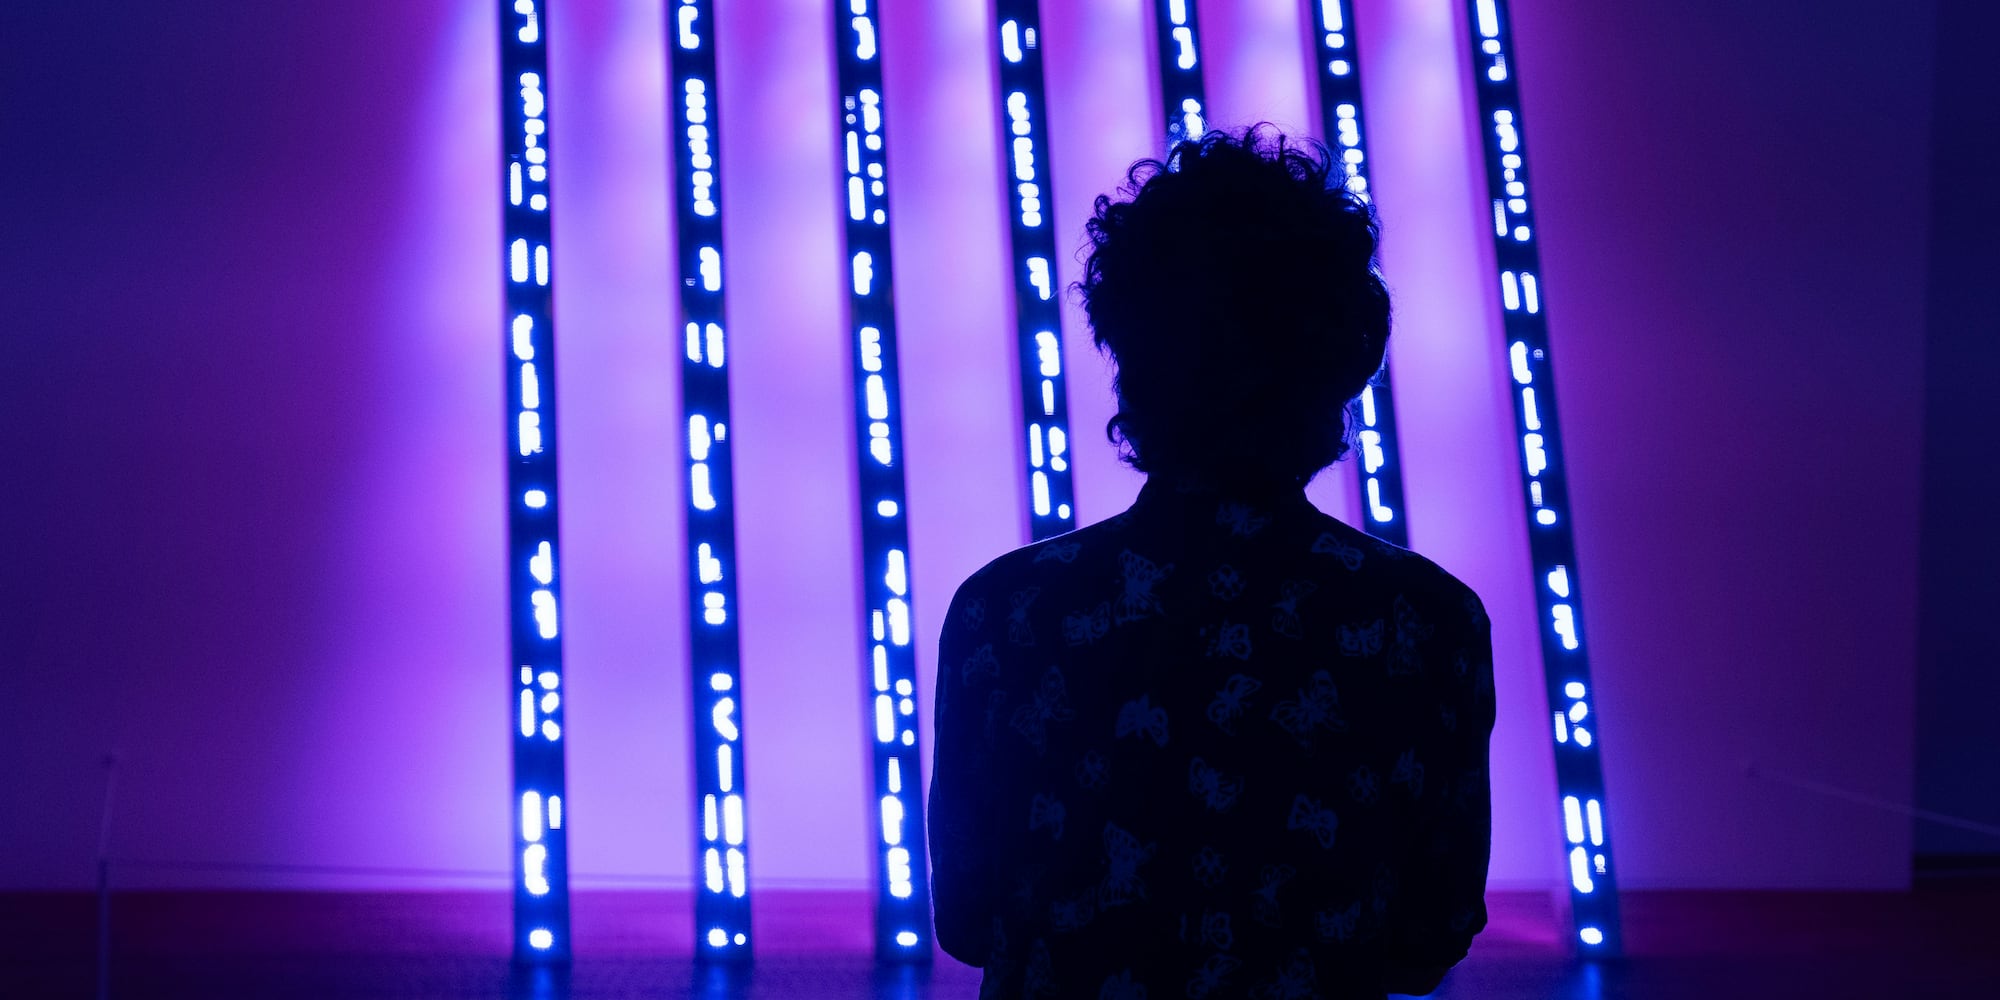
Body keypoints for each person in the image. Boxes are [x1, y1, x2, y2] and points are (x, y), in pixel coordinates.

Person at [927, 127, 1495, 999]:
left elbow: (968, 922)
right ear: (1347, 361)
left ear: (1128, 355)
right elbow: (1428, 940)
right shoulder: (1423, 624)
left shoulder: (1004, 612)